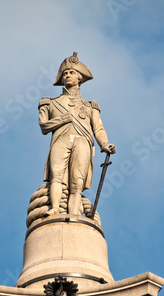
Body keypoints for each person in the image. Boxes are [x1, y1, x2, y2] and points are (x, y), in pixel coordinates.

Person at [38, 52, 115, 216]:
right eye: (64, 73)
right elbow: (44, 126)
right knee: (56, 175)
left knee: (77, 183)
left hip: (83, 141)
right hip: (61, 139)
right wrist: (62, 119)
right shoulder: (50, 102)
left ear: (79, 77)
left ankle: (74, 215)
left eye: (71, 72)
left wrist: (104, 144)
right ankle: (55, 208)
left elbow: (98, 129)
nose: (67, 75)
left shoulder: (90, 106)